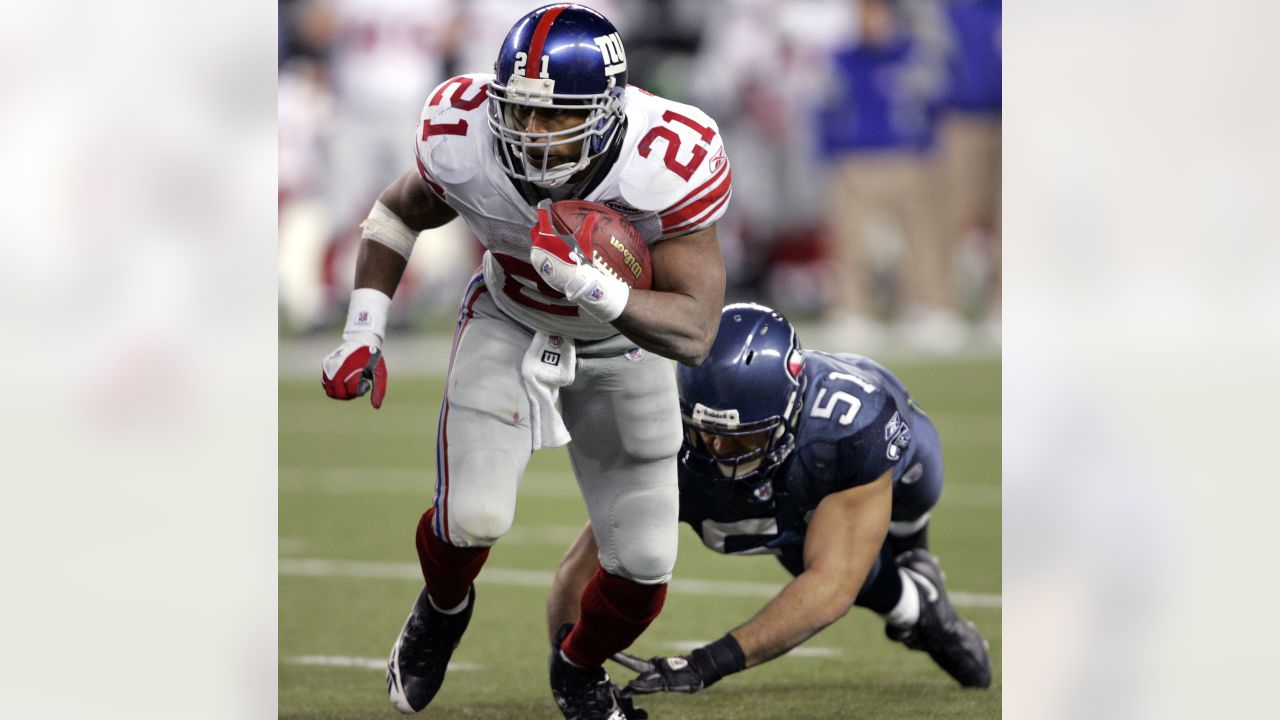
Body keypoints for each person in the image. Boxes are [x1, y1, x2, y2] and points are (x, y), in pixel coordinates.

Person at [320, 4, 730, 718]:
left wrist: (598, 290)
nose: (531, 134)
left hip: (623, 346)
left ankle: (577, 670)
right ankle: (442, 610)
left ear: (606, 112)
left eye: (556, 117)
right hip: (509, 318)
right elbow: (396, 213)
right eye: (519, 112)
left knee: (643, 564)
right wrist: (365, 326)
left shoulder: (665, 156)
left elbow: (694, 328)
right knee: (471, 518)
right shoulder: (464, 132)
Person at [548, 303, 991, 700]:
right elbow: (581, 569)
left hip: (899, 462)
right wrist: (572, 668)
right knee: (796, 546)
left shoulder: (849, 428)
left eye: (741, 437)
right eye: (706, 433)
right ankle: (917, 601)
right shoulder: (677, 438)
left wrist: (705, 663)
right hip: (792, 490)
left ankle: (920, 593)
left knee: (824, 554)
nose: (717, 452)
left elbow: (832, 587)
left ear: (790, 415)